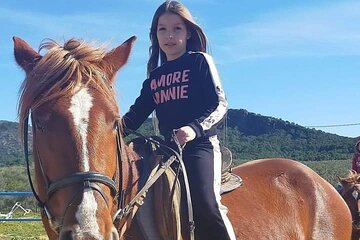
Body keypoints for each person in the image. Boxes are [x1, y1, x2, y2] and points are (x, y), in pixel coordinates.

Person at [121, 1, 236, 239]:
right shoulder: (155, 77)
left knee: (206, 203)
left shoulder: (199, 62)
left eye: (177, 29)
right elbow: (134, 117)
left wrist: (193, 129)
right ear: (155, 35)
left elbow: (219, 104)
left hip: (199, 146)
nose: (169, 35)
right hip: (166, 149)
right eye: (162, 29)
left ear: (188, 33)